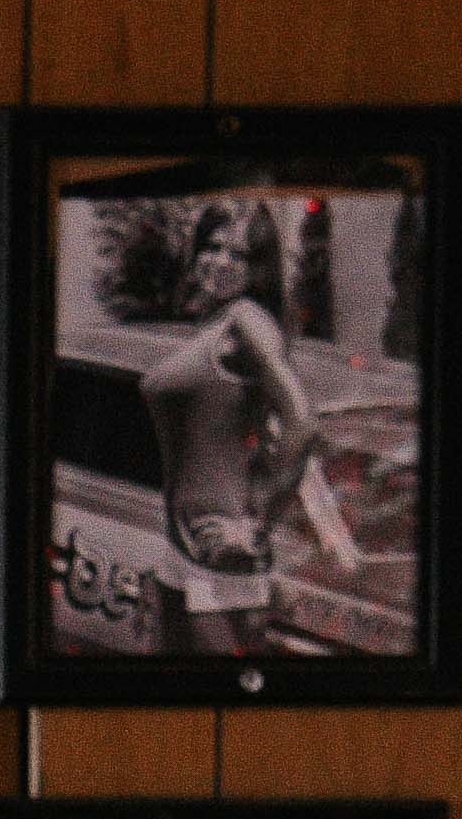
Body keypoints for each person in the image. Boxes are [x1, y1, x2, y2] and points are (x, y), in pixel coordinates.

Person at [123, 199, 334, 662]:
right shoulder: (213, 321)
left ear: (258, 268)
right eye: (212, 247)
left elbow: (303, 422)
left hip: (225, 561)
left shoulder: (248, 321)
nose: (218, 262)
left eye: (237, 255)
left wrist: (257, 524)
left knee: (217, 713)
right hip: (182, 550)